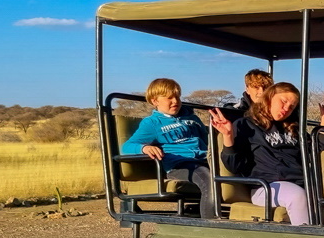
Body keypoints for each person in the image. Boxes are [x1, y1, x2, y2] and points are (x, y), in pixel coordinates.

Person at [210, 81, 309, 225]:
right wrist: (228, 136)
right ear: (269, 97)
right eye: (283, 101)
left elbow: (312, 156)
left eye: (291, 106)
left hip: (300, 182)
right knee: (297, 195)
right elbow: (235, 166)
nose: (286, 108)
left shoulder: (295, 130)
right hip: (265, 187)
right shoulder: (247, 125)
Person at [121, 77, 216, 218]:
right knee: (207, 178)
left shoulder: (192, 119)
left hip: (205, 160)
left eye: (177, 96)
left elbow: (208, 141)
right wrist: (145, 148)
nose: (175, 101)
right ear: (155, 101)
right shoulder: (152, 123)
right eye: (169, 98)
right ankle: (211, 226)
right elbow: (127, 146)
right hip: (180, 165)